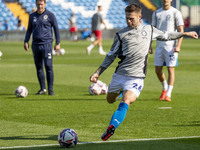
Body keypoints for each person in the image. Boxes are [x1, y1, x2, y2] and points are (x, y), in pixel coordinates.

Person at [89, 4, 198, 141]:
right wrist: (98, 73)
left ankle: (111, 127)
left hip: (136, 77)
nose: (129, 21)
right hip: (120, 75)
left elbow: (167, 35)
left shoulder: (149, 30)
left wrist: (184, 33)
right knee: (110, 100)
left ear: (139, 17)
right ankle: (121, 92)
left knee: (126, 100)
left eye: (132, 19)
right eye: (127, 18)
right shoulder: (120, 34)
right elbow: (110, 55)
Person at [24, 0, 60, 95]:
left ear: (45, 4)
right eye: (38, 4)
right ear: (36, 4)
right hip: (35, 45)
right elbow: (29, 30)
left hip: (47, 44)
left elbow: (56, 28)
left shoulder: (50, 15)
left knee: (48, 66)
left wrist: (58, 43)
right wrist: (26, 41)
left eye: (41, 4)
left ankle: (50, 89)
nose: (40, 6)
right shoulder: (32, 16)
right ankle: (42, 89)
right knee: (39, 67)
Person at [151, 0, 184, 101]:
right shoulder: (156, 13)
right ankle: (164, 88)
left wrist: (178, 45)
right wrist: (149, 45)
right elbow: (152, 30)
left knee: (170, 69)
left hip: (171, 47)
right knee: (158, 70)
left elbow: (180, 30)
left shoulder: (176, 12)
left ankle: (168, 94)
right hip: (159, 46)